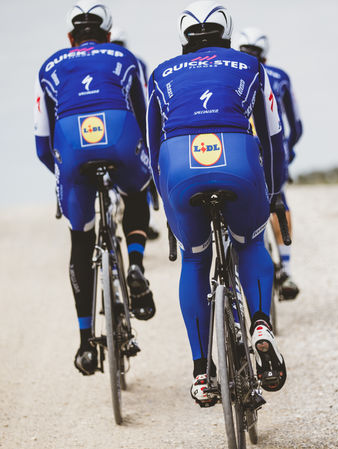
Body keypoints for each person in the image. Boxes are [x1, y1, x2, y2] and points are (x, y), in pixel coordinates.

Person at [147, 1, 287, 407]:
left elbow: (153, 146)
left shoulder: (161, 72)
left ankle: (201, 371)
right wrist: (274, 192)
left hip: (179, 166)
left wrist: (167, 203)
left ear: (183, 37)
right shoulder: (250, 65)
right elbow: (273, 135)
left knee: (194, 259)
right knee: (250, 242)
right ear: (227, 33)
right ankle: (259, 324)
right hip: (237, 156)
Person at [34, 0, 156, 376]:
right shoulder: (126, 57)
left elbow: (42, 143)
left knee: (81, 240)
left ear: (70, 37)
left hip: (72, 147)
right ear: (107, 33)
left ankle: (86, 342)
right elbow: (145, 118)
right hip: (119, 135)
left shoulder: (49, 66)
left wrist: (65, 176)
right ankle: (136, 264)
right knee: (137, 192)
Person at [239, 27, 303, 300]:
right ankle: (286, 269)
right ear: (265, 55)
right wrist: (289, 150)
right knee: (279, 201)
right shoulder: (279, 76)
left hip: (240, 150)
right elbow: (296, 125)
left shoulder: (234, 73)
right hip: (274, 153)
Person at [110, 26, 160, 241]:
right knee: (142, 171)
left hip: (107, 125)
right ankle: (146, 220)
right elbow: (145, 97)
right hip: (130, 123)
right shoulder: (135, 61)